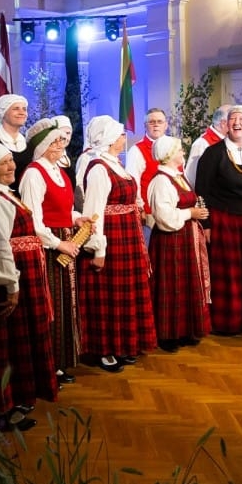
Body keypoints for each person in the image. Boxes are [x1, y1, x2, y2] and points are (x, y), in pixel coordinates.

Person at [0, 141, 57, 430]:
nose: (11, 166)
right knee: (2, 344)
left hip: (21, 273)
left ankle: (14, 398)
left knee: (16, 340)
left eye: (10, 160)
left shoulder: (2, 193)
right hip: (5, 279)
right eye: (3, 163)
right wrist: (10, 284)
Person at [78, 115, 157, 371]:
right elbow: (94, 211)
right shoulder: (99, 167)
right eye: (121, 135)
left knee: (126, 291)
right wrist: (98, 248)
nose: (125, 138)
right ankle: (104, 348)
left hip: (127, 235)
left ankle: (124, 343)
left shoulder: (116, 164)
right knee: (109, 294)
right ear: (110, 139)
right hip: (112, 237)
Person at [194, 104, 242, 335]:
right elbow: (201, 191)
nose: (237, 123)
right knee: (227, 273)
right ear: (226, 125)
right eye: (232, 119)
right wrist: (206, 224)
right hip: (223, 220)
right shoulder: (213, 153)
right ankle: (228, 323)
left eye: (241, 119)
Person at [19, 117, 88, 385]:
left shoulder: (57, 170)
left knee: (65, 305)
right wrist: (59, 244)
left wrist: (76, 218)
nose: (61, 144)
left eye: (61, 140)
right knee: (52, 306)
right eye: (56, 141)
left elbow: (61, 209)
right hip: (47, 248)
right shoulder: (34, 174)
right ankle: (47, 364)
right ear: (44, 145)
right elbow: (33, 221)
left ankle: (60, 362)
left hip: (65, 240)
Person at [146, 135, 211, 351]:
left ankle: (185, 329)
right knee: (171, 285)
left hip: (185, 237)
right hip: (171, 239)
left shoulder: (177, 176)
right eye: (179, 150)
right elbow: (164, 216)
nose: (183, 153)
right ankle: (168, 334)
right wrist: (190, 212)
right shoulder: (161, 181)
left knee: (186, 284)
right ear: (169, 155)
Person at [124, 107, 170, 233]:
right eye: (152, 122)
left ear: (166, 125)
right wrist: (140, 207)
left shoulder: (174, 146)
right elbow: (133, 182)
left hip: (173, 211)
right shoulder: (137, 150)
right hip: (151, 212)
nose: (156, 125)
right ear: (145, 126)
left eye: (160, 122)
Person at [183, 103, 231, 184]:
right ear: (223, 123)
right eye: (233, 119)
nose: (236, 123)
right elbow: (192, 177)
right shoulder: (202, 144)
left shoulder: (229, 141)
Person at [0, 93, 33, 185]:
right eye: (16, 108)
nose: (22, 112)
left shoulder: (28, 143)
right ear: (3, 113)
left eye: (24, 109)